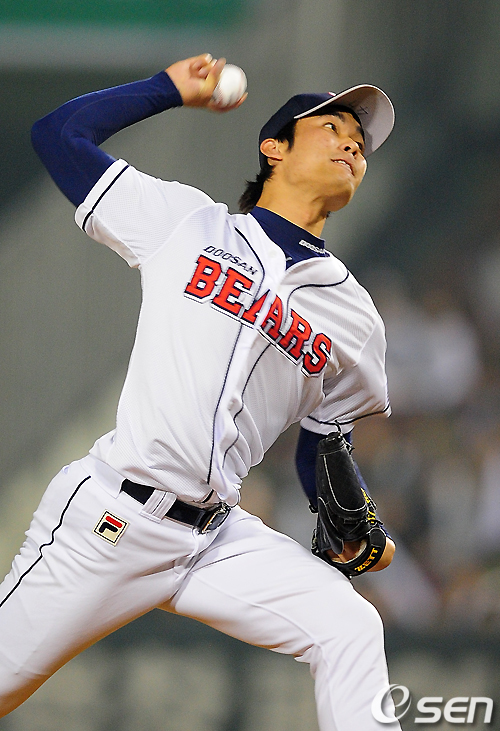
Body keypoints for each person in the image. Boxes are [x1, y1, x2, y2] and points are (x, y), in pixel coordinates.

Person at [0, 54, 400, 729]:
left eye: (360, 142)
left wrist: (353, 519)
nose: (352, 144)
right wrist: (166, 90)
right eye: (332, 127)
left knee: (349, 626)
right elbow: (58, 136)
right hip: (115, 517)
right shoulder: (188, 225)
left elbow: (325, 445)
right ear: (274, 147)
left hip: (216, 538)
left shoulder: (355, 319)